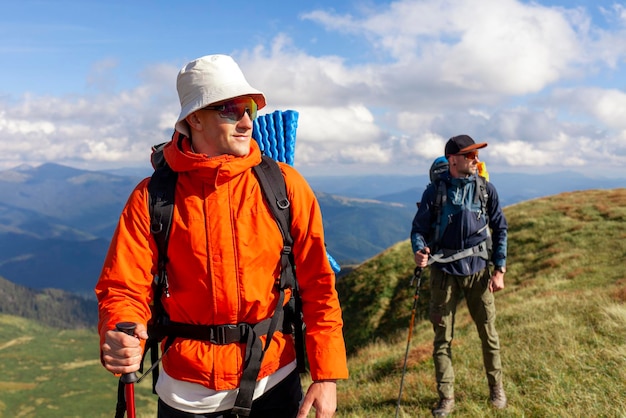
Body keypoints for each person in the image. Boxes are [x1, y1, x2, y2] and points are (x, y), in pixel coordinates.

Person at [95, 54, 348, 418]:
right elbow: (122, 287)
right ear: (194, 118)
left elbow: (318, 283)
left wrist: (326, 375)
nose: (246, 121)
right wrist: (121, 331)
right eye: (230, 109)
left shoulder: (285, 186)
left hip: (275, 379)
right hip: (186, 392)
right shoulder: (152, 197)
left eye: (249, 109)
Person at [410, 135, 508, 417]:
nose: (475, 158)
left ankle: (496, 389)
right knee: (442, 339)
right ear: (453, 160)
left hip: (479, 273)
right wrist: (420, 250)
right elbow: (419, 230)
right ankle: (446, 399)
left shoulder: (486, 190)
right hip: (443, 274)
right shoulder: (435, 194)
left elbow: (500, 228)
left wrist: (499, 269)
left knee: (488, 333)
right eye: (470, 154)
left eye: (475, 154)